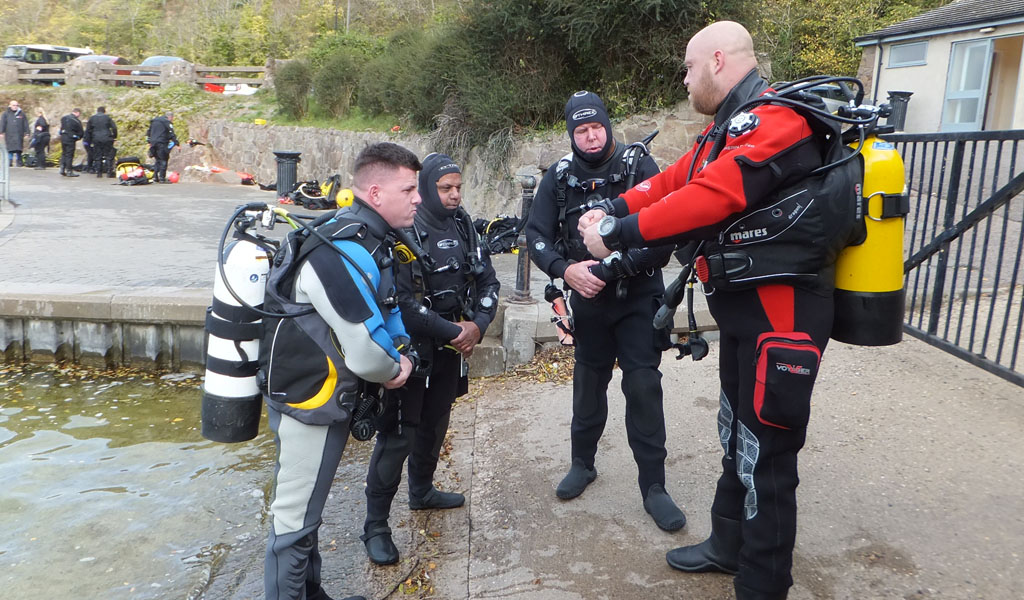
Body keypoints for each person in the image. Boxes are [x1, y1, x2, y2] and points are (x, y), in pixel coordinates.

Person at [580, 21, 835, 600]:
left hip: (784, 317)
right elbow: (675, 179)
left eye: (690, 69)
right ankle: (727, 544)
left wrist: (618, 231)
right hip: (747, 313)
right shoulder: (728, 127)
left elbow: (716, 195)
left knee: (768, 453)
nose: (686, 80)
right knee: (736, 433)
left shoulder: (779, 120)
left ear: (718, 61)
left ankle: (763, 584)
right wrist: (615, 205)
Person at [260, 141, 422, 600]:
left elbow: (381, 312)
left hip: (315, 396)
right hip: (309, 404)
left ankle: (313, 594)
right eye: (408, 189)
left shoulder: (358, 239)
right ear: (375, 192)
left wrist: (398, 350)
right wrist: (396, 366)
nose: (418, 198)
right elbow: (366, 352)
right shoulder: (339, 252)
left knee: (305, 508)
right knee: (293, 518)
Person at [525, 91, 685, 532]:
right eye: (581, 129)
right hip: (588, 299)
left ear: (608, 126)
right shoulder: (558, 177)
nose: (591, 136)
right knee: (588, 383)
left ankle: (654, 487)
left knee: (643, 387)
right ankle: (583, 463)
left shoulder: (638, 167)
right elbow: (535, 234)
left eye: (596, 127)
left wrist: (615, 265)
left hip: (638, 296)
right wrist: (566, 269)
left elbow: (667, 231)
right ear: (571, 133)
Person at [362, 153, 500, 565]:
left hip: (450, 350)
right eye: (445, 188)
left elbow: (488, 278)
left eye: (458, 187)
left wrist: (478, 323)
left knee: (437, 421)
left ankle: (421, 490)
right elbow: (401, 304)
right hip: (410, 351)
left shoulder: (463, 226)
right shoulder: (405, 230)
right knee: (399, 435)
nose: (455, 195)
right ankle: (376, 525)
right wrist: (456, 331)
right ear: (426, 189)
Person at [146, 111, 178, 183]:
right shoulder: (166, 122)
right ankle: (162, 178)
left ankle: (155, 177)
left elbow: (148, 132)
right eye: (172, 118)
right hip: (162, 143)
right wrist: (176, 142)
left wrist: (149, 142)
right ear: (170, 117)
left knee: (157, 160)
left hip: (153, 143)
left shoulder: (154, 121)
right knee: (163, 159)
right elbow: (171, 133)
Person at [86, 106, 117, 178]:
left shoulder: (92, 118)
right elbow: (114, 127)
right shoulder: (107, 117)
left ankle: (99, 173)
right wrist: (114, 136)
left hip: (96, 138)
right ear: (104, 111)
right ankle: (109, 172)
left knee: (98, 155)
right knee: (108, 155)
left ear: (97, 111)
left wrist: (90, 139)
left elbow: (88, 130)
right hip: (107, 138)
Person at [0, 100, 29, 167]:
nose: (15, 107)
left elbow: (25, 124)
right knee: (10, 149)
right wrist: (1, 132)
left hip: (19, 134)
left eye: (16, 105)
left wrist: (27, 133)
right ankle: (9, 161)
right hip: (9, 134)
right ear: (10, 105)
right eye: (13, 105)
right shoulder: (6, 114)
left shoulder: (21, 114)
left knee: (19, 149)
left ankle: (19, 161)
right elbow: (2, 123)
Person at [59, 108, 84, 177]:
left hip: (63, 137)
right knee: (69, 155)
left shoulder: (64, 118)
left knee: (64, 153)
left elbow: (61, 129)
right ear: (77, 113)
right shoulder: (76, 121)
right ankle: (69, 171)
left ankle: (62, 169)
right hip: (71, 138)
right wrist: (78, 137)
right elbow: (81, 132)